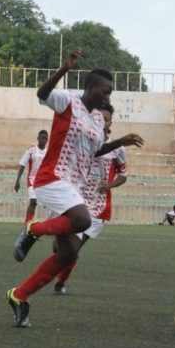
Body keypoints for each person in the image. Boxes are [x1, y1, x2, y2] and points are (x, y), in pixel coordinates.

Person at [6, 48, 144, 327]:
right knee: (82, 219)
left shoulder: (96, 120)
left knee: (69, 253)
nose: (107, 97)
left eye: (110, 94)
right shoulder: (67, 101)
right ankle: (33, 229)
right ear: (90, 87)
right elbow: (41, 94)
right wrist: (63, 69)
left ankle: (19, 295)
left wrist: (121, 142)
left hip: (73, 187)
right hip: (53, 176)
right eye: (105, 92)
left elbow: (94, 151)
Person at [52, 103, 128, 295]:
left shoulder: (117, 149)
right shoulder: (82, 141)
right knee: (59, 247)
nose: (102, 122)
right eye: (98, 119)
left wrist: (109, 185)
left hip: (97, 206)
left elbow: (123, 175)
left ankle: (60, 283)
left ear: (111, 122)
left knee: (73, 247)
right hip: (74, 199)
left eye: (106, 119)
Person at [14, 130, 48, 223]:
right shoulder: (31, 149)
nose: (44, 140)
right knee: (33, 201)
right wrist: (17, 181)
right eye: (42, 138)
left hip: (44, 181)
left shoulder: (48, 152)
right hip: (32, 180)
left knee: (51, 204)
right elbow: (22, 165)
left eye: (46, 138)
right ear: (38, 138)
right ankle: (27, 225)